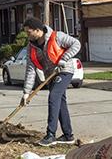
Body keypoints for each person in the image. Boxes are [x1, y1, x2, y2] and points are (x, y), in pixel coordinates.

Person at [21, 17, 81, 146]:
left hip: (64, 70)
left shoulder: (57, 36)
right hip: (50, 75)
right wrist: (26, 92)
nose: (27, 35)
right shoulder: (31, 47)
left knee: (53, 97)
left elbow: (76, 44)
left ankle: (50, 135)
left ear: (37, 31)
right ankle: (68, 135)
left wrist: (64, 58)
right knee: (60, 103)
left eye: (28, 32)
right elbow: (30, 70)